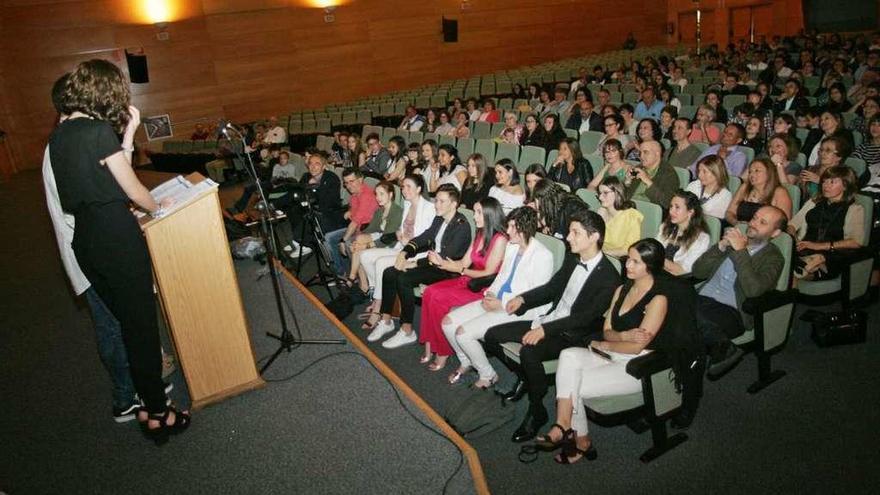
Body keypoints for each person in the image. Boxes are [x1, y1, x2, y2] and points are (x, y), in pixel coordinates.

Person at [48, 60, 187, 441]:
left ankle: (146, 402)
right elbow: (133, 190)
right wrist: (159, 206)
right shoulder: (95, 131)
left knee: (128, 325)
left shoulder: (59, 135)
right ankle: (159, 415)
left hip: (88, 242)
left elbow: (102, 174)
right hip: (115, 239)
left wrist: (128, 135)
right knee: (142, 327)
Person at [43, 73, 141, 423]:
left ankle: (135, 386)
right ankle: (125, 397)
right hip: (91, 249)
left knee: (117, 322)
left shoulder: (65, 140)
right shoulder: (66, 144)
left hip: (92, 246)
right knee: (111, 326)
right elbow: (105, 192)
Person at [484, 209, 621, 443]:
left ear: (594, 237)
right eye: (570, 232)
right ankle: (530, 379)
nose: (568, 237)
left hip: (572, 333)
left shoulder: (609, 276)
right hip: (550, 318)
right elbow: (552, 288)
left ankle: (537, 410)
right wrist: (524, 299)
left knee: (529, 353)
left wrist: (544, 331)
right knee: (492, 336)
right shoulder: (573, 257)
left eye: (575, 233)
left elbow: (585, 318)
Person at [533, 239, 670, 464]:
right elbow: (607, 330)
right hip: (611, 353)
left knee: (572, 384)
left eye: (636, 262)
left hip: (636, 365)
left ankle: (579, 438)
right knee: (568, 356)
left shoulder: (658, 300)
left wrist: (608, 344)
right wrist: (622, 336)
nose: (628, 265)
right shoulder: (622, 289)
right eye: (629, 259)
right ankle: (566, 426)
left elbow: (637, 347)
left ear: (650, 266)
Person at [443, 207, 555, 387]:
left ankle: (488, 374)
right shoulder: (512, 247)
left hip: (516, 310)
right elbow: (501, 277)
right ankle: (466, 361)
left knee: (463, 334)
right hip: (496, 300)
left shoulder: (543, 256)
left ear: (525, 229)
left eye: (512, 227)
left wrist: (501, 303)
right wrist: (491, 294)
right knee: (448, 323)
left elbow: (534, 298)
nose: (508, 231)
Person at [369, 184, 473, 349]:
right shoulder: (440, 218)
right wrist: (405, 252)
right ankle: (386, 319)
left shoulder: (462, 226)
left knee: (404, 278)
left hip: (447, 270)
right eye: (436, 200)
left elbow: (444, 259)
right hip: (432, 263)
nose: (436, 204)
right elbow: (425, 237)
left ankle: (407, 330)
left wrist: (415, 263)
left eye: (441, 201)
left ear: (453, 204)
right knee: (389, 272)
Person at [692, 206, 787, 378]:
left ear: (775, 233)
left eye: (762, 222)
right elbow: (698, 272)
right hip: (702, 299)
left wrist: (741, 251)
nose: (753, 223)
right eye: (755, 218)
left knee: (679, 314)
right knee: (668, 300)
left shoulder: (773, 258)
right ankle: (723, 346)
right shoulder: (734, 241)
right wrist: (720, 246)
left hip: (733, 312)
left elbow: (754, 290)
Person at [418, 198, 508, 370]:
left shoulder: (500, 239)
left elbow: (489, 272)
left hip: (483, 286)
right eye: (475, 212)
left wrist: (460, 270)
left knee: (438, 298)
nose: (474, 216)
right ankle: (431, 343)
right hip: (469, 279)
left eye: (478, 212)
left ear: (490, 215)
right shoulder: (481, 233)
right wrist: (443, 263)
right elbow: (464, 262)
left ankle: (443, 351)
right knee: (430, 292)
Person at [361, 175, 436, 331]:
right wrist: (400, 233)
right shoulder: (408, 204)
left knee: (381, 263)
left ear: (419, 189)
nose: (404, 190)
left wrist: (408, 240)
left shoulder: (429, 208)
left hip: (415, 253)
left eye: (408, 186)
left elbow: (427, 238)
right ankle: (377, 295)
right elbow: (402, 229)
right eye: (403, 187)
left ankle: (379, 307)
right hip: (401, 247)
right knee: (364, 256)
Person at [789, 167, 866, 281]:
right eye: (824, 181)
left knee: (793, 272)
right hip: (806, 248)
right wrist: (795, 240)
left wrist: (820, 246)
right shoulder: (815, 201)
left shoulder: (854, 209)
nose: (826, 185)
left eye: (832, 182)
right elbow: (792, 225)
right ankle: (805, 265)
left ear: (845, 185)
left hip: (832, 253)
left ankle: (808, 266)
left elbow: (856, 242)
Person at [345, 181, 403, 297]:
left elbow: (387, 239)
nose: (378, 198)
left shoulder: (397, 211)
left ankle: (356, 280)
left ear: (390, 195)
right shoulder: (380, 210)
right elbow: (371, 229)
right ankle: (360, 282)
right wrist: (356, 241)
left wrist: (364, 245)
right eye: (376, 194)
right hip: (381, 235)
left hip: (392, 242)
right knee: (359, 239)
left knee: (360, 249)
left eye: (382, 194)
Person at [285, 152, 346, 258]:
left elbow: (327, 202)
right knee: (293, 209)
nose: (313, 167)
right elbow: (299, 192)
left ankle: (306, 244)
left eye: (317, 164)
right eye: (310, 164)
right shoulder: (306, 176)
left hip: (330, 212)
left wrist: (315, 187)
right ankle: (299, 240)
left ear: (324, 166)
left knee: (310, 215)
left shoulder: (332, 178)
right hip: (312, 206)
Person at [324, 168, 379, 277]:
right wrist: (350, 212)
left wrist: (343, 240)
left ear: (360, 179)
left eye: (351, 181)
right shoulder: (354, 195)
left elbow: (354, 222)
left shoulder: (366, 195)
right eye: (346, 183)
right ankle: (342, 272)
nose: (349, 186)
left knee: (348, 243)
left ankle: (357, 276)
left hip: (368, 231)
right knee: (329, 237)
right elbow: (354, 214)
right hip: (358, 228)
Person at [657, 191, 711, 275]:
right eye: (671, 206)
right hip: (659, 272)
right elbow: (657, 248)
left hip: (678, 280)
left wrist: (656, 259)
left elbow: (684, 271)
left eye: (677, 207)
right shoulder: (665, 226)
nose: (671, 211)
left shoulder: (701, 238)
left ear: (690, 212)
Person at [726, 159, 792, 225]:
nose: (752, 174)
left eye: (757, 171)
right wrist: (736, 222)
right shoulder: (745, 187)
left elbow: (782, 224)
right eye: (750, 172)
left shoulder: (780, 192)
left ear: (769, 173)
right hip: (738, 230)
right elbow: (730, 212)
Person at [597, 177, 643, 257]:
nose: (600, 197)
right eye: (600, 193)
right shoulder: (601, 212)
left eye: (605, 193)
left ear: (617, 193)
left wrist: (601, 255)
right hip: (601, 255)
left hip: (618, 259)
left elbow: (629, 249)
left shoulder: (631, 216)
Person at [624, 141, 679, 207]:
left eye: (646, 152)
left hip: (648, 210)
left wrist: (648, 181)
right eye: (640, 153)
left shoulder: (669, 173)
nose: (641, 156)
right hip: (630, 207)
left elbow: (666, 202)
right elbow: (624, 195)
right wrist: (627, 182)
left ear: (657, 154)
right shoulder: (638, 168)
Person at [686, 155, 733, 220]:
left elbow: (714, 222)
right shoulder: (694, 185)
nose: (700, 175)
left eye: (704, 172)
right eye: (699, 171)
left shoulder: (725, 195)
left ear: (717, 173)